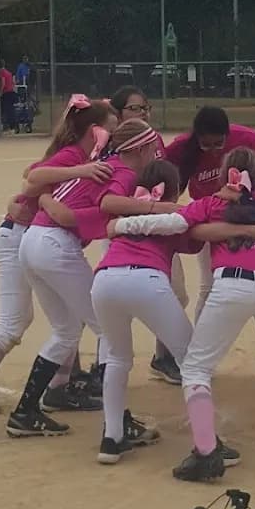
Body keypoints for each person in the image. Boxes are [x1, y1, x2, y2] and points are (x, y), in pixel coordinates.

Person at [111, 147, 255, 481]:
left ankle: (206, 453)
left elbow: (172, 223)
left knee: (195, 368)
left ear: (226, 174)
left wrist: (123, 224)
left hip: (234, 284)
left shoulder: (209, 204)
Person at [0, 96, 116, 441]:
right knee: (14, 324)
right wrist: (75, 174)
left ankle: (56, 389)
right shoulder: (76, 157)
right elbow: (32, 178)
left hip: (30, 237)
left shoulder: (88, 158)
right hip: (21, 237)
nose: (115, 133)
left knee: (67, 321)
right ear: (94, 131)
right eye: (110, 127)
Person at [89, 159, 255, 466]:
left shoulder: (126, 210)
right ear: (174, 190)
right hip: (147, 280)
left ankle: (111, 438)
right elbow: (194, 242)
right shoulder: (175, 213)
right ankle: (207, 442)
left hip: (104, 280)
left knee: (116, 358)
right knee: (193, 360)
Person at [6, 119, 160, 437]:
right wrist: (158, 208)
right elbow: (106, 205)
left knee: (66, 331)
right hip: (54, 243)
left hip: (33, 239)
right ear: (143, 149)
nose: (155, 155)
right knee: (107, 328)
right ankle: (117, 423)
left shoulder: (104, 163)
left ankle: (25, 412)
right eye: (153, 149)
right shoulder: (126, 173)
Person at [109, 84, 185, 385]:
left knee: (176, 293)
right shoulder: (111, 153)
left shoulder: (154, 143)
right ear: (119, 113)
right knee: (113, 304)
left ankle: (163, 357)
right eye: (134, 108)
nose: (142, 113)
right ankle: (98, 367)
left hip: (155, 229)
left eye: (144, 108)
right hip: (123, 231)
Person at [164, 107, 255, 319]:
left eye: (218, 143)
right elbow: (160, 174)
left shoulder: (248, 139)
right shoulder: (181, 148)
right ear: (196, 138)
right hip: (205, 213)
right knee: (209, 284)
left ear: (227, 135)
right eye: (205, 145)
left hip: (241, 211)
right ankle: (201, 340)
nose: (212, 150)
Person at [0, 62, 17, 129]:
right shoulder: (8, 72)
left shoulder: (2, 72)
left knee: (4, 109)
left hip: (6, 93)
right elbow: (13, 83)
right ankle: (12, 125)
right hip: (11, 92)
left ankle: (6, 124)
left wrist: (0, 92)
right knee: (10, 109)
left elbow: (3, 83)